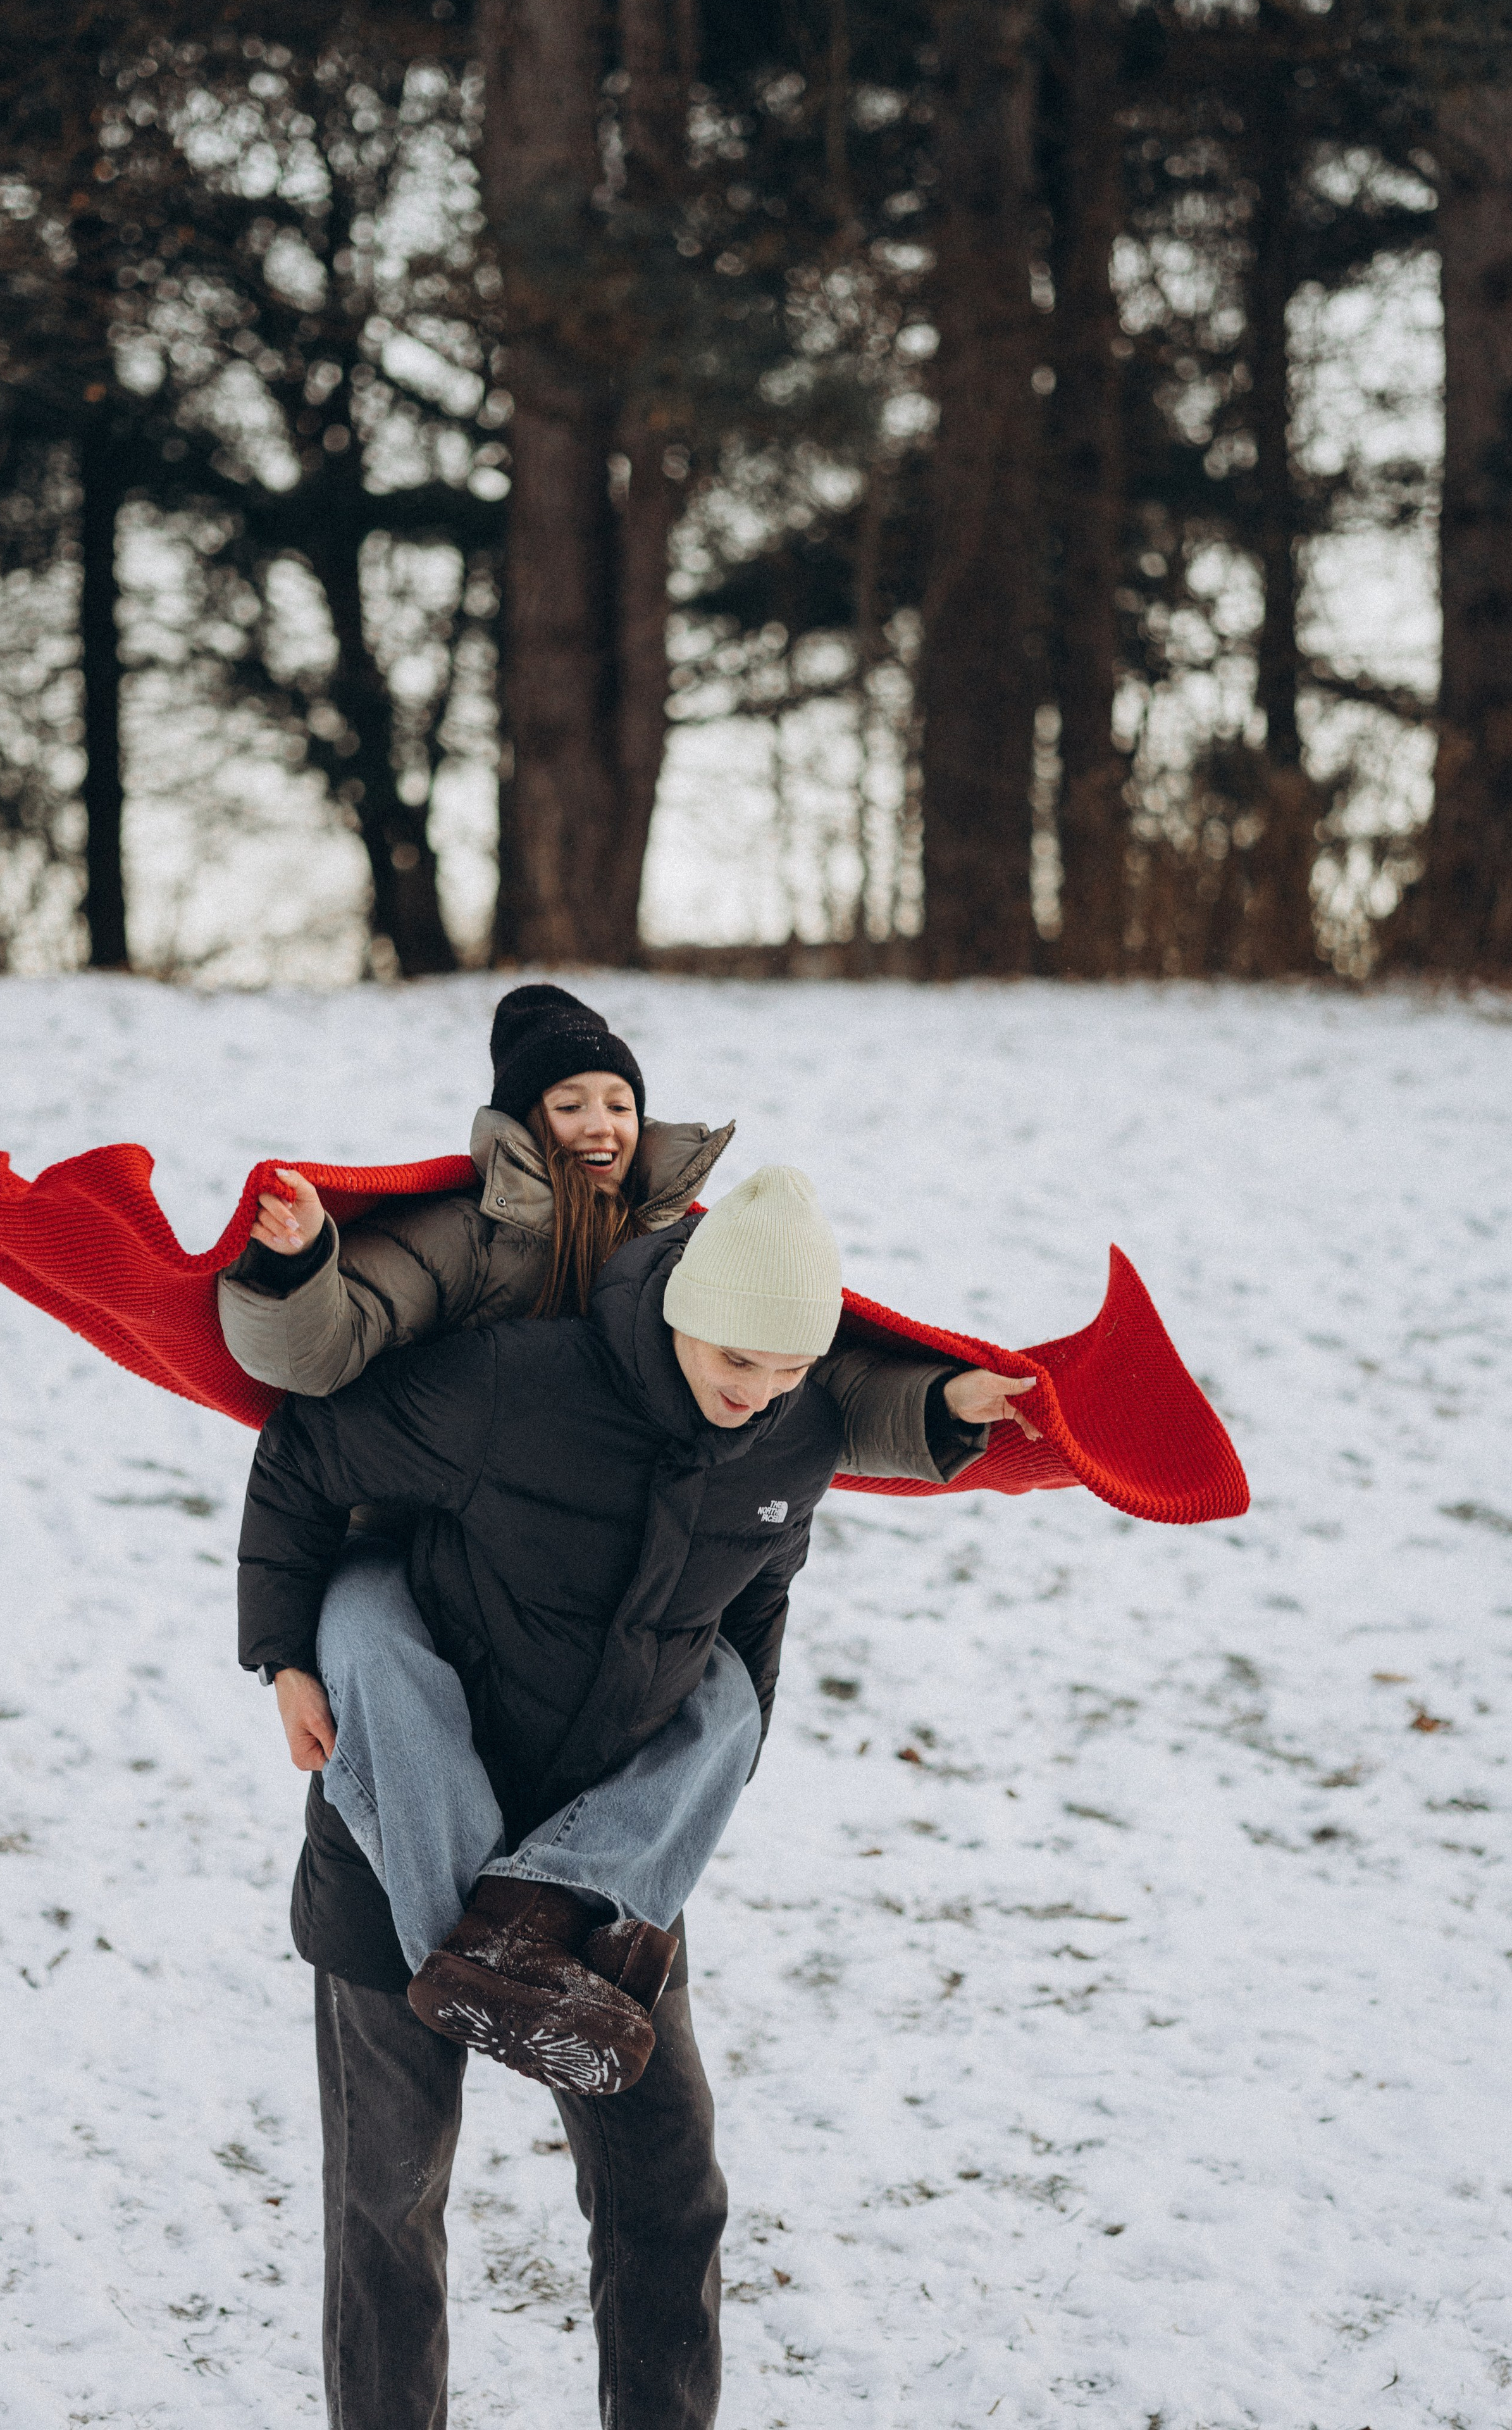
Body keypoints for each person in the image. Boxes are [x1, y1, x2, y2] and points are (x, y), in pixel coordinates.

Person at [238, 1161, 1038, 2429]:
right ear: (680, 1309)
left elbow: (752, 1611)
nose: (755, 1388)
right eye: (734, 1355)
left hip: (596, 1873)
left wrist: (690, 1788)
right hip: (393, 1840)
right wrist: (284, 1652)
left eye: (786, 1366)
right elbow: (307, 1450)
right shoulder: (518, 1386)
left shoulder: (793, 1436)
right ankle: (464, 1953)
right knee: (388, 2207)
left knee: (670, 2195)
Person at [224, 986, 1032, 2093]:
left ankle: (528, 1932)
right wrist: (300, 1266)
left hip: (606, 1556)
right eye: (571, 1101)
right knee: (375, 1644)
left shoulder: (682, 1247)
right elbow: (322, 1364)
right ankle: (476, 1960)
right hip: (416, 1516)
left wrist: (940, 1403)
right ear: (520, 1119)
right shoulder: (469, 1232)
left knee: (724, 1704)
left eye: (620, 1100)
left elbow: (814, 1378)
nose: (602, 1122)